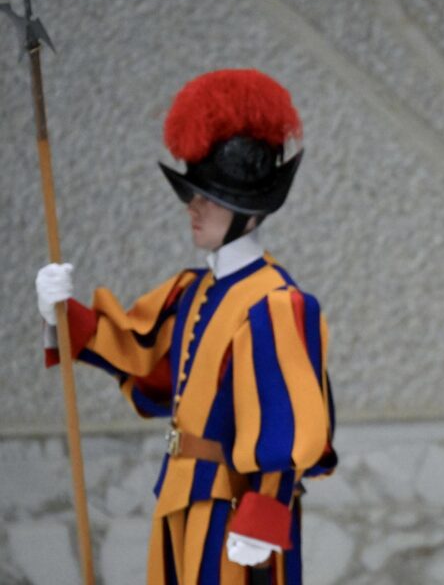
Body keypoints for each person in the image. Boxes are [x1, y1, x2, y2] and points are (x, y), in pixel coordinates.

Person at [34, 68, 337, 585]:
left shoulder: (277, 304)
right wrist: (60, 313)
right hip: (181, 492)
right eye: (193, 193)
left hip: (235, 510)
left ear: (248, 210)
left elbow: (289, 429)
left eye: (210, 197)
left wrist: (263, 520)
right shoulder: (192, 292)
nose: (193, 207)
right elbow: (140, 352)